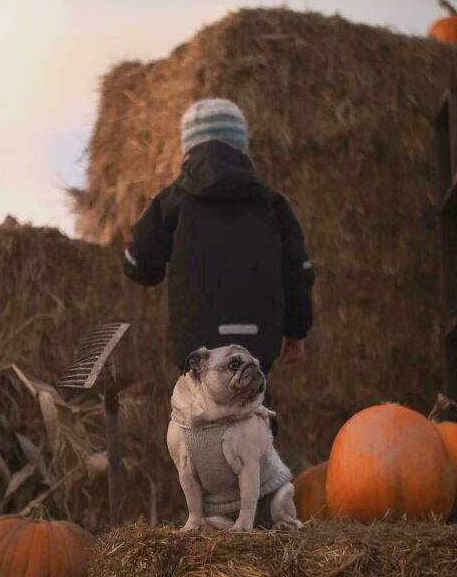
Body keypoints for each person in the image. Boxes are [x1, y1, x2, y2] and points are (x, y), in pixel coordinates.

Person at [122, 98, 315, 423]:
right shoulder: (273, 204)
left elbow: (139, 264)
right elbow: (298, 272)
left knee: (196, 431)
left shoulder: (174, 200)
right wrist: (296, 331)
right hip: (256, 341)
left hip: (196, 346)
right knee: (254, 419)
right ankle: (257, 464)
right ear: (243, 149)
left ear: (187, 150)